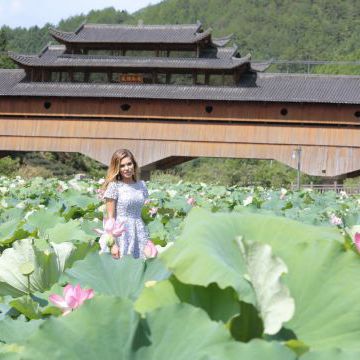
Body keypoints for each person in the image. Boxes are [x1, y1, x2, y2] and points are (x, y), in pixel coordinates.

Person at [102, 149, 149, 259]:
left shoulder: (142, 185)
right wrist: (112, 245)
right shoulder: (114, 186)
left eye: (129, 164)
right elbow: (110, 219)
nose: (127, 168)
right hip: (121, 233)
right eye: (122, 166)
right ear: (117, 168)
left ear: (134, 164)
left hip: (139, 230)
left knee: (139, 267)